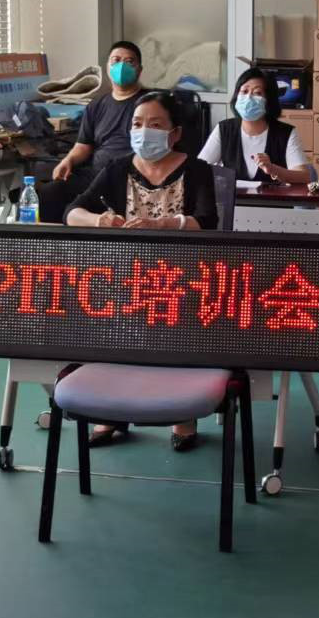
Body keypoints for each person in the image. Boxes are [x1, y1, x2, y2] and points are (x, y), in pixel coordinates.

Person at [67, 91, 219, 450]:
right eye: (137, 124)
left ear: (175, 133)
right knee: (108, 328)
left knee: (178, 333)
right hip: (126, 276)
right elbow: (72, 211)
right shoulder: (117, 168)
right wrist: (98, 220)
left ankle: (182, 415)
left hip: (182, 277)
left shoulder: (197, 169)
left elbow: (207, 221)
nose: (143, 132)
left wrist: (165, 224)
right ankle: (110, 412)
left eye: (154, 124)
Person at [38, 39, 146, 223]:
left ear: (140, 69)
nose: (121, 66)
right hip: (95, 176)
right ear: (107, 68)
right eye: (116, 60)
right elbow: (83, 146)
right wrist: (68, 160)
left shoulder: (149, 103)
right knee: (50, 193)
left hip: (132, 177)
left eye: (129, 62)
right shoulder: (97, 105)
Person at [198, 67, 311, 183]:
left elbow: (304, 177)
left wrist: (273, 169)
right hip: (233, 195)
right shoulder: (224, 129)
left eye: (257, 93)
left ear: (269, 100)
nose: (249, 97)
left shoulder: (285, 133)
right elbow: (199, 169)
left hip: (273, 195)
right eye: (244, 91)